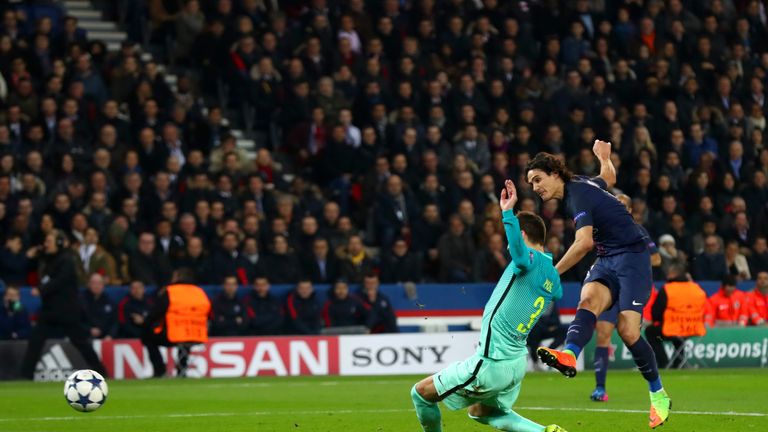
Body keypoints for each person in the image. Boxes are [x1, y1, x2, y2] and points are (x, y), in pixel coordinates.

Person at [526, 142, 671, 429]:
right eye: (531, 183)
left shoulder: (577, 196)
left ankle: (658, 394)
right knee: (588, 300)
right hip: (607, 257)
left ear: (555, 173)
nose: (534, 188)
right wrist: (604, 157)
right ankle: (569, 355)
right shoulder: (581, 183)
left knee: (628, 331)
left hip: (632, 258)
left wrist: (552, 273)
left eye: (537, 179)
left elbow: (583, 243)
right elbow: (609, 178)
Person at [411, 180, 567, 432]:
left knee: (420, 393)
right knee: (480, 411)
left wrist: (507, 212)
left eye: (513, 236)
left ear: (522, 235)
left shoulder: (527, 260)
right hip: (516, 363)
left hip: (493, 361)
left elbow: (519, 253)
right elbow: (550, 285)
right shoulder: (551, 276)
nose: (507, 244)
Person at [590, 193, 662, 402]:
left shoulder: (638, 232)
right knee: (603, 333)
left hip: (630, 287)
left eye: (622, 205)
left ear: (629, 211)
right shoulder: (602, 230)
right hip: (610, 287)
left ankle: (654, 386)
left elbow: (656, 259)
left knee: (630, 335)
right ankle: (600, 388)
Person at [20, 231, 107, 379]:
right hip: (49, 310)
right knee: (35, 341)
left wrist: (41, 289)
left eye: (49, 241)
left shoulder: (66, 259)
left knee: (81, 343)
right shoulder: (47, 259)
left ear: (59, 243)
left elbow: (59, 280)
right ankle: (25, 376)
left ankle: (102, 372)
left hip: (67, 310)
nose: (46, 244)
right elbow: (30, 271)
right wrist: (30, 257)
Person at [142, 268, 212, 378]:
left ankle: (160, 371)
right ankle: (181, 370)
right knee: (186, 338)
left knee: (147, 337)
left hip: (173, 335)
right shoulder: (200, 292)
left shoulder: (171, 291)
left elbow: (157, 312)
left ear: (178, 277)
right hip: (197, 335)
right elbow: (209, 313)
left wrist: (145, 323)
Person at [645, 264, 707, 368]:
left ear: (672, 274)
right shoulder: (697, 288)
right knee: (679, 338)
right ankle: (678, 364)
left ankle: (663, 363)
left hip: (673, 328)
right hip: (694, 328)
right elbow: (703, 309)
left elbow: (656, 313)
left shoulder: (668, 289)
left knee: (650, 332)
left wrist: (661, 320)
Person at [80, 273, 117, 339]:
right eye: (94, 283)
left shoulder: (109, 301)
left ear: (103, 285)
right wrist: (89, 329)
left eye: (99, 283)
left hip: (105, 338)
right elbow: (75, 320)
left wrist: (110, 335)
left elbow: (115, 322)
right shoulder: (80, 300)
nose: (97, 286)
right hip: (84, 337)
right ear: (89, 284)